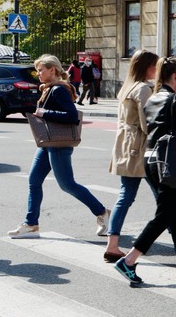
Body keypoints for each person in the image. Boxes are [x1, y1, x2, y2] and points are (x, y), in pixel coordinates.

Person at [113, 57, 176, 285]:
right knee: (164, 214)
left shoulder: (153, 97)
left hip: (151, 159)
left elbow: (160, 127)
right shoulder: (175, 99)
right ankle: (129, 260)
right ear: (175, 76)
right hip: (168, 162)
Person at [8, 55, 109, 238]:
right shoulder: (48, 89)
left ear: (52, 70)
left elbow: (72, 116)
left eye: (41, 70)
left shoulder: (58, 90)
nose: (38, 73)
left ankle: (102, 212)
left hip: (59, 145)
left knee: (67, 185)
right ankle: (31, 224)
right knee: (34, 181)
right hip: (48, 143)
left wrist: (44, 112)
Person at [103, 49, 159, 263]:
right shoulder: (144, 89)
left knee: (125, 196)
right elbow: (147, 124)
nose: (157, 69)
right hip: (141, 148)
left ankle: (112, 244)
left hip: (126, 146)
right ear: (147, 67)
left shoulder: (127, 87)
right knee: (164, 197)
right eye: (155, 65)